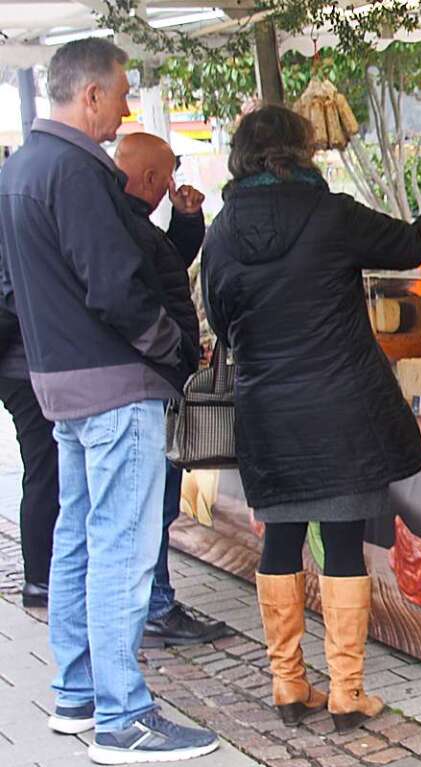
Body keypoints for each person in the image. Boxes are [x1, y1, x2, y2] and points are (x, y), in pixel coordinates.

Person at [201, 105, 421, 730]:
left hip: (268, 409)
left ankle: (288, 684)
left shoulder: (220, 232)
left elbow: (221, 322)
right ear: (302, 151)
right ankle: (347, 691)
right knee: (344, 540)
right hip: (341, 404)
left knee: (281, 539)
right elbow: (406, 245)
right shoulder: (331, 213)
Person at [0, 39, 218, 763]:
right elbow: (116, 285)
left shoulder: (24, 166)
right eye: (122, 92)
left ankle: (76, 693)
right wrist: (171, 351)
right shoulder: (74, 170)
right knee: (119, 547)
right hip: (112, 383)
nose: (125, 106)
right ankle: (122, 715)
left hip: (61, 381)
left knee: (80, 539)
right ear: (89, 94)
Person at [113, 132, 230, 648]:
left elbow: (165, 266)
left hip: (149, 377)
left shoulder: (132, 222)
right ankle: (154, 606)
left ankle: (152, 602)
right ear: (153, 178)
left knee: (149, 505)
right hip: (145, 382)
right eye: (169, 175)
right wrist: (176, 350)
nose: (174, 184)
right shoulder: (118, 224)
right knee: (149, 505)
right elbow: (129, 299)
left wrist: (185, 221)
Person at [0, 295, 59, 609]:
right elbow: (12, 299)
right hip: (25, 367)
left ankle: (43, 576)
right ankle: (40, 579)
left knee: (45, 471)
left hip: (22, 365)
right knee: (46, 472)